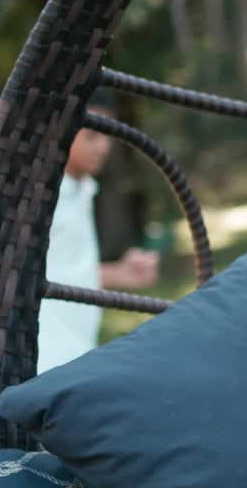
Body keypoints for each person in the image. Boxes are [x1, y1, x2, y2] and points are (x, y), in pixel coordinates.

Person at [37, 92, 160, 374]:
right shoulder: (43, 198)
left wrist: (119, 271)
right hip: (47, 354)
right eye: (92, 135)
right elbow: (27, 278)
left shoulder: (83, 189)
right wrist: (117, 274)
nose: (104, 147)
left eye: (108, 135)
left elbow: (64, 265)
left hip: (77, 346)